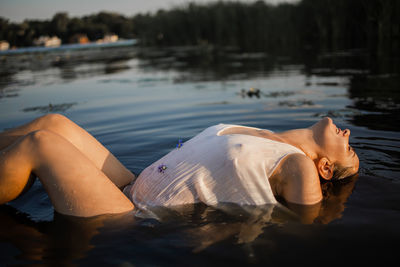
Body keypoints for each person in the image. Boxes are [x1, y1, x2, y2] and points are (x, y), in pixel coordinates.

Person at [0, 114, 359, 217]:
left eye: (349, 147)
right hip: (129, 182)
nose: (347, 132)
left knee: (41, 145)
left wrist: (226, 231)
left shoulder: (299, 167)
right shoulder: (264, 134)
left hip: (130, 213)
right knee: (55, 125)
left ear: (325, 168)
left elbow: (305, 227)